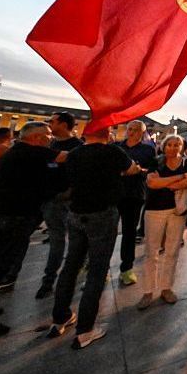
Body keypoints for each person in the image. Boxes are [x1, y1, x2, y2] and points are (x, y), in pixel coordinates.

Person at [0, 122, 67, 338]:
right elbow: (65, 156)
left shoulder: (12, 153)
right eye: (47, 135)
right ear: (36, 138)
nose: (50, 138)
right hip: (15, 217)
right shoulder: (31, 153)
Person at [48, 129, 141, 349]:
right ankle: (85, 330)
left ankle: (59, 318)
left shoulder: (74, 153)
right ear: (107, 133)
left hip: (76, 212)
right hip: (102, 213)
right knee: (97, 271)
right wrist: (132, 168)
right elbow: (131, 169)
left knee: (70, 265)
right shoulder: (112, 151)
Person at [138, 134, 187, 309]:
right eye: (169, 144)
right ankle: (148, 291)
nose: (173, 147)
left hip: (177, 210)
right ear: (163, 146)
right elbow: (152, 184)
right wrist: (177, 179)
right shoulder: (156, 161)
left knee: (172, 250)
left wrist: (164, 182)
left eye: (177, 144)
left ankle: (166, 288)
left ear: (181, 147)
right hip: (154, 210)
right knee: (151, 251)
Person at [35, 112, 84, 298]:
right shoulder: (51, 145)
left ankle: (55, 279)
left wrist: (70, 191)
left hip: (69, 200)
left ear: (63, 125)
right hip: (48, 198)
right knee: (58, 239)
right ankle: (49, 279)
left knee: (71, 240)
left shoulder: (78, 147)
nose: (49, 124)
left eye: (52, 121)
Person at [115, 120, 157, 286]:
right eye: (129, 129)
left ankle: (126, 268)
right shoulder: (117, 147)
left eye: (135, 130)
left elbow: (152, 170)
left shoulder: (148, 149)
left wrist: (139, 170)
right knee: (107, 232)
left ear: (142, 133)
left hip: (134, 194)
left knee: (129, 232)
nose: (131, 132)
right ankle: (98, 267)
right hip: (114, 193)